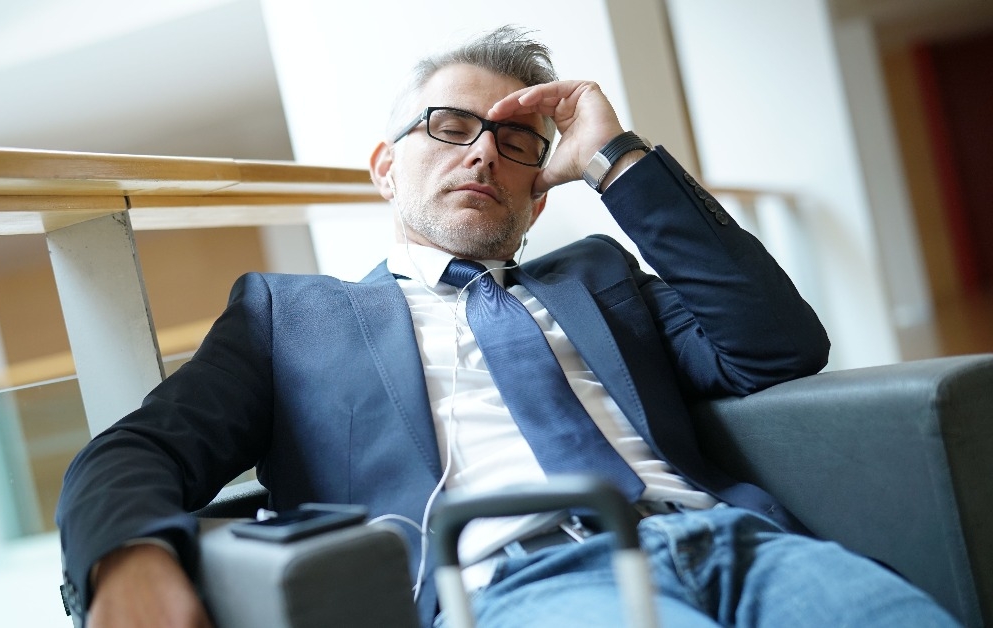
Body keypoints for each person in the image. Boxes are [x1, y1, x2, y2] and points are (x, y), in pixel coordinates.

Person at [56, 26, 958, 628]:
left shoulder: (600, 280)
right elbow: (138, 451)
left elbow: (777, 343)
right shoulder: (288, 319)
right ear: (384, 168)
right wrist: (125, 559)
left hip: (741, 545)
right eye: (449, 127)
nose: (483, 149)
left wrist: (614, 157)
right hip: (522, 586)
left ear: (536, 197)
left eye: (515, 141)